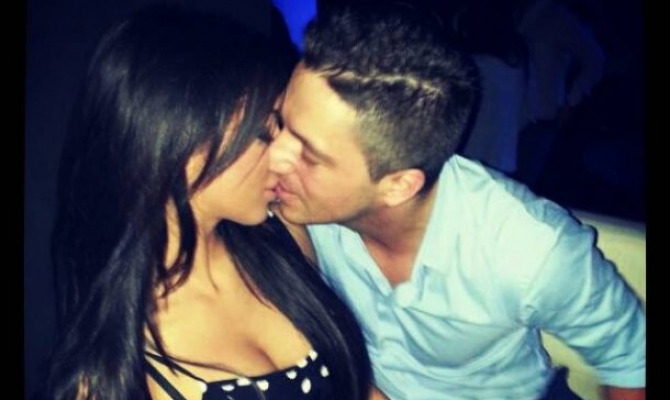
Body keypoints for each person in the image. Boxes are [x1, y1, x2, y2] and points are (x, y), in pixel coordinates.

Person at [267, 2, 645, 399]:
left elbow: (631, 361)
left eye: (308, 154)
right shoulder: (295, 202)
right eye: (279, 124)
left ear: (399, 185)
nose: (273, 156)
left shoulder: (531, 250)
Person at [35, 5, 381, 400]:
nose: (287, 156)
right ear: (179, 140)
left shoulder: (282, 234)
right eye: (264, 132)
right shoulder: (110, 374)